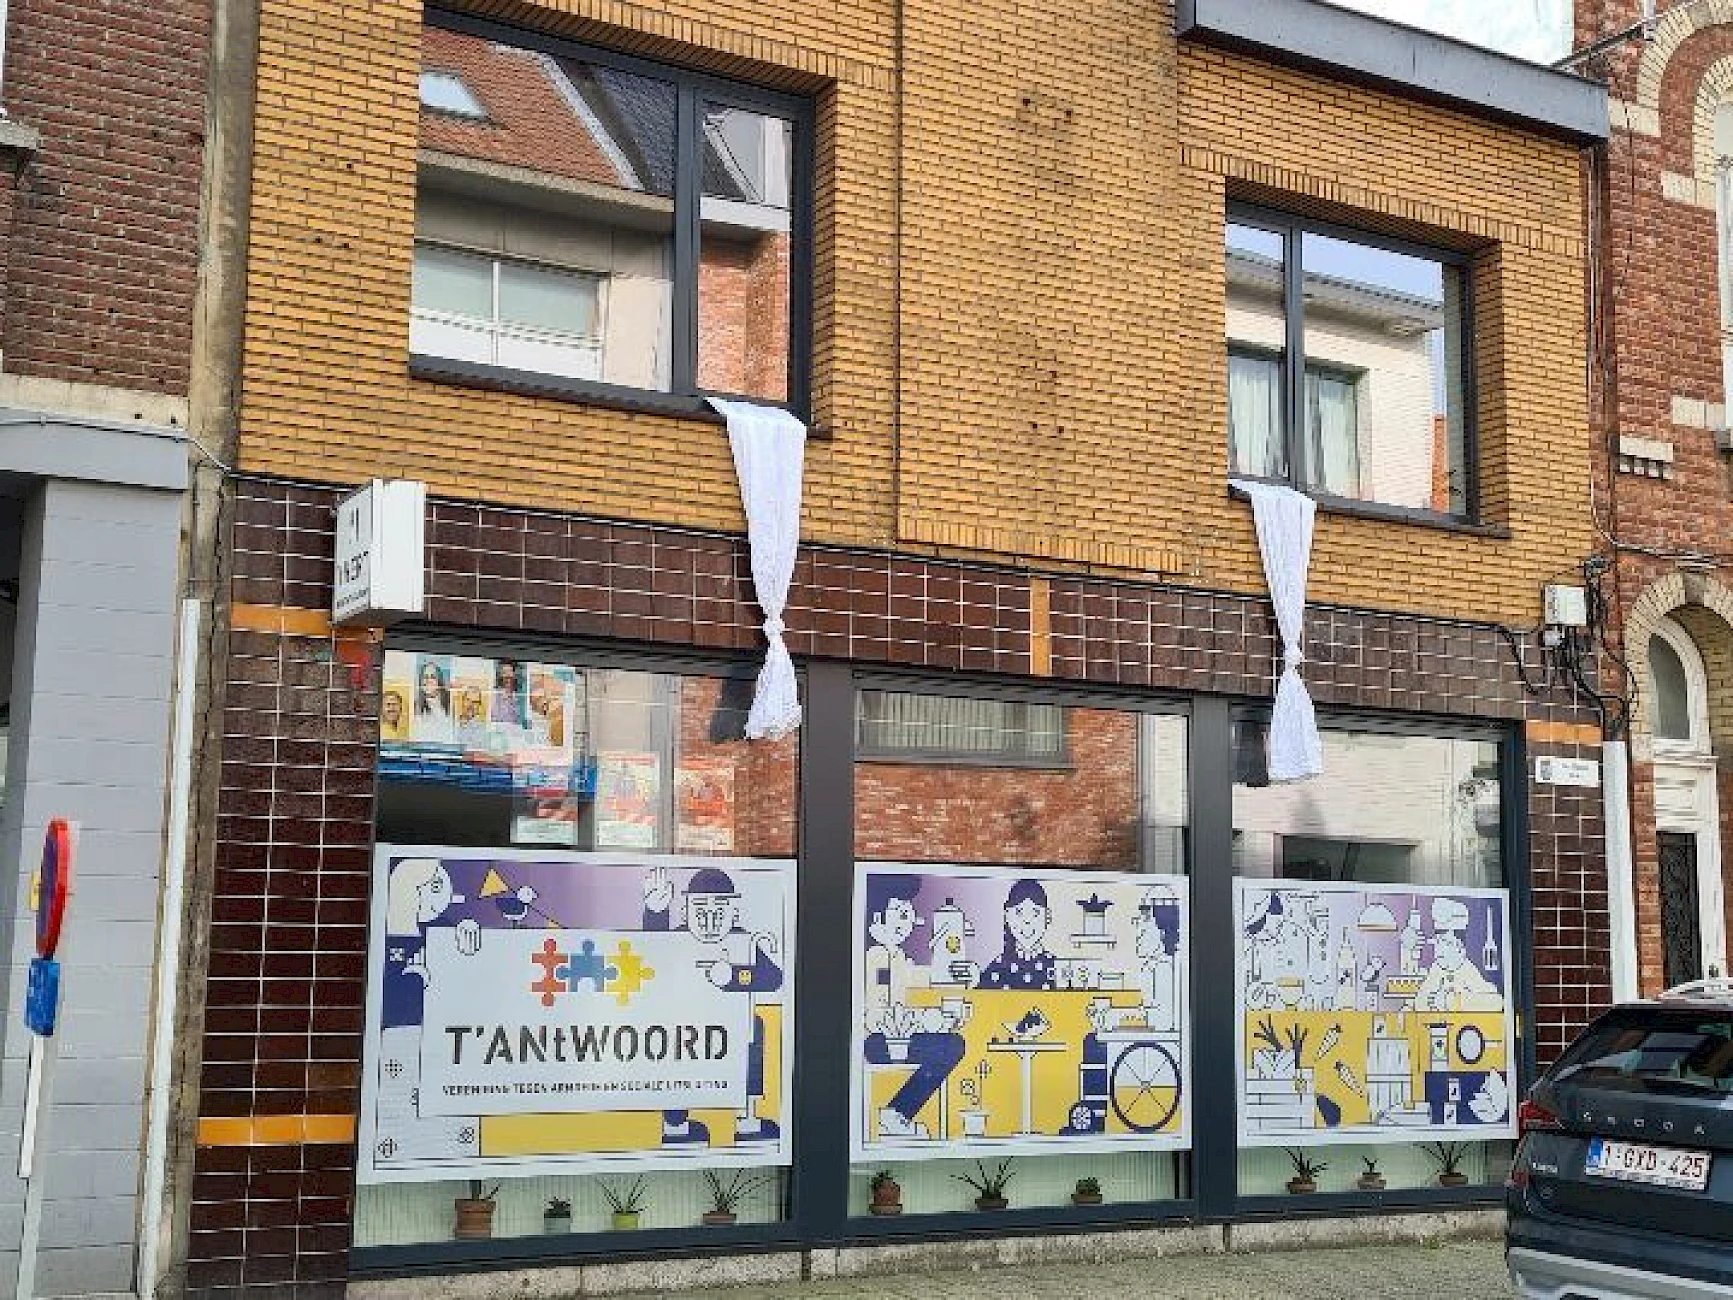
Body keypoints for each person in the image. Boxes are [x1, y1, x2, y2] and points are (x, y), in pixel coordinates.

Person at [643, 864, 782, 1144]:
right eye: (700, 911)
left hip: (735, 1026)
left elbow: (772, 977)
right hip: (685, 1026)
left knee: (755, 1030)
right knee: (671, 1049)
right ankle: (676, 1126)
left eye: (719, 911)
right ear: (685, 911)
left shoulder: (742, 941)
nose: (709, 921)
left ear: (734, 912)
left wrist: (734, 976)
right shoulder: (677, 938)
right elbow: (652, 953)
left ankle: (747, 1120)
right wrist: (656, 913)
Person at [861, 875, 966, 1141]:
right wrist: (922, 1020)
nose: (907, 922)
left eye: (909, 915)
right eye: (900, 914)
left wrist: (962, 973)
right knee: (950, 1047)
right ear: (876, 919)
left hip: (894, 1038)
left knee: (950, 1044)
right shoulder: (876, 959)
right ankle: (896, 1113)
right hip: (877, 1042)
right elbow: (878, 1014)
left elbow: (926, 976)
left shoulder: (898, 958)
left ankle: (898, 1113)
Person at [1414, 896, 1503, 1012]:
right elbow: (1419, 1001)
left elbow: (1496, 1001)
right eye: (1438, 943)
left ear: (1459, 947)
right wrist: (1429, 1001)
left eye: (1446, 943)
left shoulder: (1467, 970)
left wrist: (1452, 1001)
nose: (1440, 950)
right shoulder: (1436, 968)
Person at [976, 878, 1058, 990]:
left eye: (1036, 913)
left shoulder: (1056, 966)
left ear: (1047, 916)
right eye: (1019, 912)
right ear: (1006, 915)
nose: (1027, 921)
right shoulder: (997, 968)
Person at [413, 658, 454, 743]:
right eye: (425, 677)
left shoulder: (450, 703)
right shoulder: (415, 706)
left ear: (439, 681)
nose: (428, 681)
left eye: (433, 677)